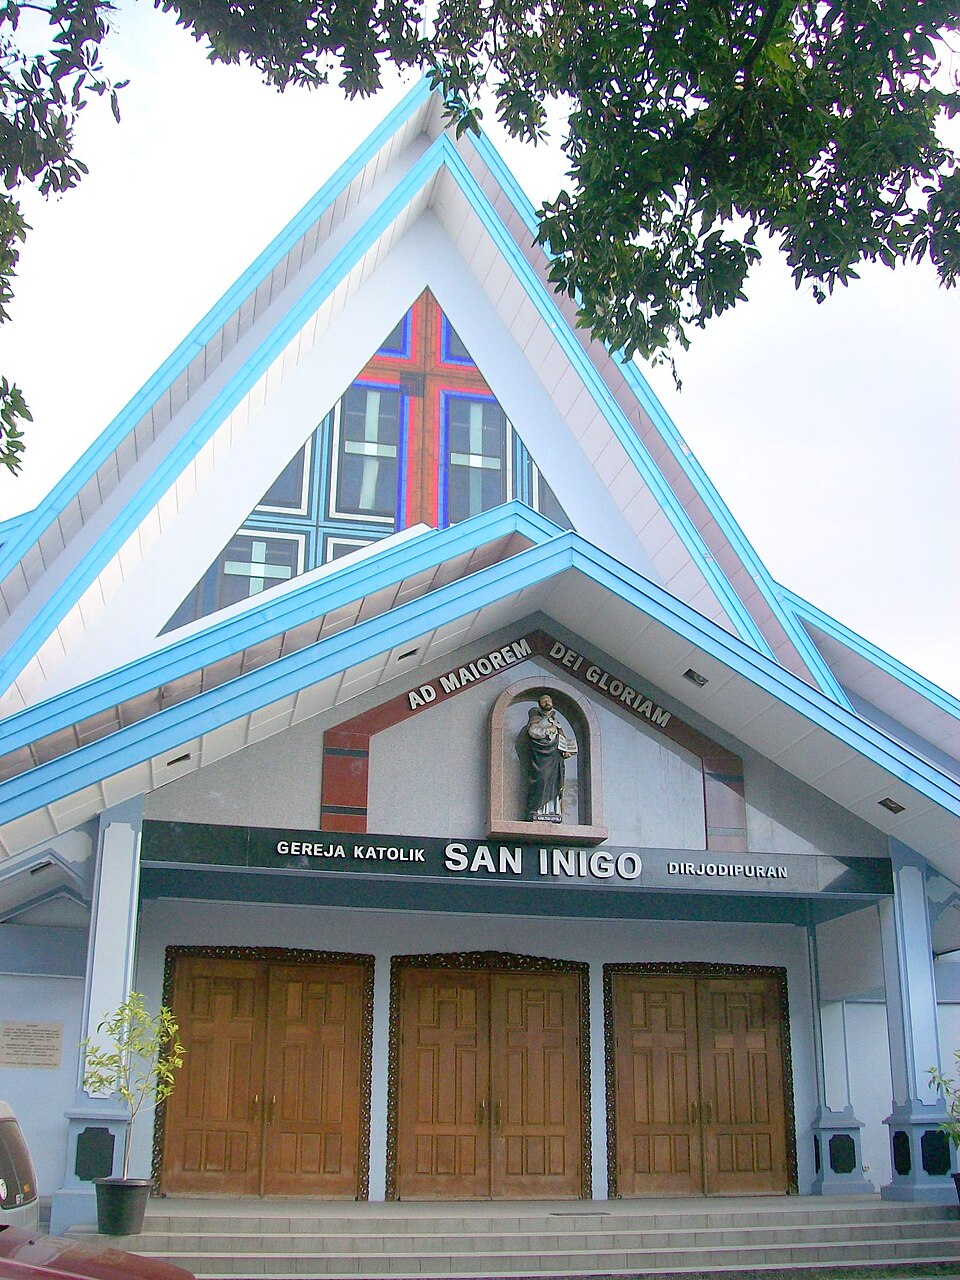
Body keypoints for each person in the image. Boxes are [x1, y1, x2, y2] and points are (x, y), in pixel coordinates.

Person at [520, 694, 577, 822]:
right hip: (541, 758)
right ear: (539, 704)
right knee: (542, 780)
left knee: (555, 783)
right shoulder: (535, 720)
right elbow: (533, 732)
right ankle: (537, 810)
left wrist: (566, 750)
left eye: (549, 700)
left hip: (555, 759)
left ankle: (553, 811)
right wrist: (547, 730)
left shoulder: (557, 722)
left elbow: (562, 738)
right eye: (544, 700)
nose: (547, 702)